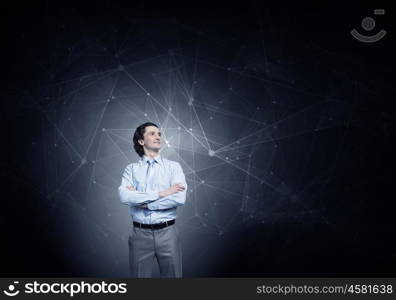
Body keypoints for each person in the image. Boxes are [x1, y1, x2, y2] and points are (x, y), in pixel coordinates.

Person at [118, 122, 187, 278]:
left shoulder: (173, 167)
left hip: (168, 234)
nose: (158, 137)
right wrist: (162, 193)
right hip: (139, 235)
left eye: (159, 134)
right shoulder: (131, 169)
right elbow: (125, 196)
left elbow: (179, 198)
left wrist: (144, 203)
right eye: (152, 133)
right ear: (141, 141)